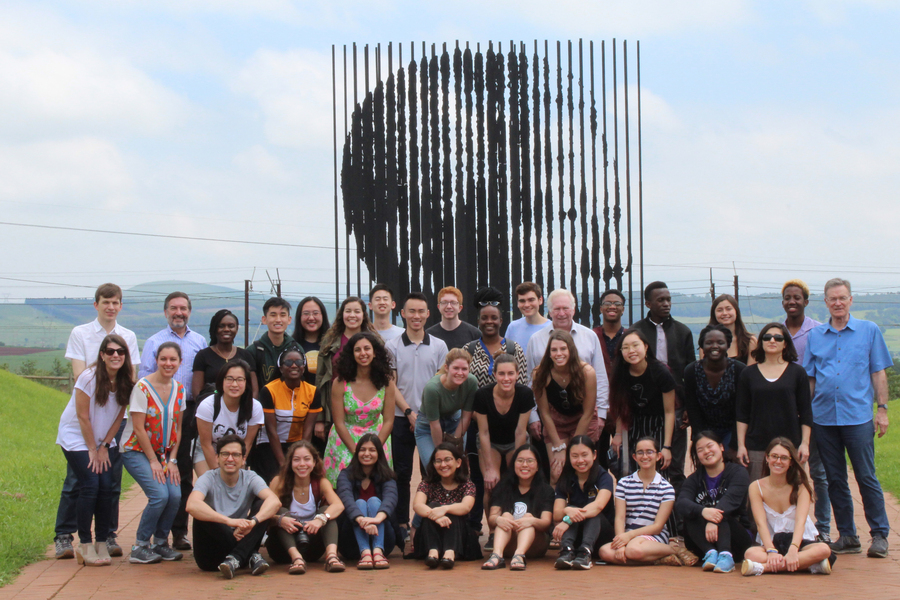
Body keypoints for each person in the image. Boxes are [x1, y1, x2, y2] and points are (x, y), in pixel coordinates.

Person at [804, 278, 892, 558]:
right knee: (835, 479)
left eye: (842, 298)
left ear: (851, 300)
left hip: (857, 418)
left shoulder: (869, 330)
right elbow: (810, 379)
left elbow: (878, 372)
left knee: (866, 476)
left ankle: (879, 534)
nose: (838, 303)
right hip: (824, 418)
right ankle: (848, 536)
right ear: (826, 302)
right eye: (832, 299)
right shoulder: (816, 336)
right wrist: (804, 415)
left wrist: (882, 409)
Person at [56, 283, 140, 560]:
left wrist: (105, 444)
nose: (111, 307)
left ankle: (106, 537)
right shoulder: (81, 335)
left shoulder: (128, 337)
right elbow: (82, 405)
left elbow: (124, 396)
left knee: (108, 484)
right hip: (82, 427)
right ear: (97, 304)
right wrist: (93, 447)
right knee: (82, 482)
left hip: (110, 427)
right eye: (106, 302)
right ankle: (70, 538)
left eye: (116, 302)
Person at [139, 292, 207, 551]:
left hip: (188, 411)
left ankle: (179, 533)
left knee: (182, 472)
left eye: (183, 308)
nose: (179, 312)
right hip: (158, 414)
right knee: (160, 476)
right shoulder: (154, 342)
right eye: (174, 308)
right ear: (165, 311)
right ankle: (158, 535)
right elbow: (144, 380)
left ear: (189, 311)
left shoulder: (199, 341)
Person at [384, 292, 449, 551]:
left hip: (431, 420)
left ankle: (425, 523)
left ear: (428, 314)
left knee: (430, 472)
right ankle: (401, 524)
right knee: (400, 473)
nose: (416, 316)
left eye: (421, 311)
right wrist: (409, 411)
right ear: (402, 313)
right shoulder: (392, 346)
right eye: (411, 311)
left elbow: (439, 382)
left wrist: (424, 415)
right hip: (401, 419)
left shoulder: (440, 346)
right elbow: (391, 383)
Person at [463, 285, 527, 540]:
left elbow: (523, 385)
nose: (489, 322)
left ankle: (514, 528)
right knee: (485, 481)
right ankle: (489, 531)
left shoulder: (514, 348)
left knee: (513, 481)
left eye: (494, 318)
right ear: (478, 321)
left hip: (512, 425)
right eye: (484, 318)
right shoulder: (469, 349)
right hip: (480, 424)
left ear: (501, 321)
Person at [121, 341, 185, 564]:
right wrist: (153, 461)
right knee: (159, 496)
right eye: (163, 359)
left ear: (180, 362)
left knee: (175, 496)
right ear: (156, 360)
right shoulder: (142, 387)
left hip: (164, 455)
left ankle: (160, 542)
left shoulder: (179, 389)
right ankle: (140, 546)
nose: (168, 363)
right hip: (136, 450)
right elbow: (139, 428)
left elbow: (178, 428)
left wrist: (172, 460)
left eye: (173, 359)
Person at [186, 434, 282, 578]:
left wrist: (253, 522)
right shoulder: (208, 478)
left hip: (240, 546)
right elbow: (191, 505)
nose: (230, 459)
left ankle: (236, 557)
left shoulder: (250, 477)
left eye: (236, 455)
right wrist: (228, 521)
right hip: (211, 558)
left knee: (263, 505)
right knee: (203, 509)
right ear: (217, 458)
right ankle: (250, 555)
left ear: (243, 459)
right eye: (225, 454)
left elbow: (275, 502)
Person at [632, 281, 694, 497]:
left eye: (668, 299)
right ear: (648, 304)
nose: (666, 304)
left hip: (675, 406)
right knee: (646, 460)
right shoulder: (636, 332)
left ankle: (676, 511)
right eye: (660, 300)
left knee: (674, 463)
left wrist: (688, 406)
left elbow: (690, 372)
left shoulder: (683, 331)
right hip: (644, 408)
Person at [781, 279, 831, 542]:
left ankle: (823, 527)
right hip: (784, 413)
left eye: (797, 297)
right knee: (784, 470)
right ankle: (787, 526)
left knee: (818, 473)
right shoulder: (776, 332)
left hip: (813, 411)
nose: (792, 301)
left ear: (806, 301)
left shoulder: (819, 331)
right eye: (787, 297)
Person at [741, 438, 834, 576]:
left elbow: (801, 522)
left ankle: (762, 568)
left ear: (791, 462)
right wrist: (771, 551)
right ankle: (809, 565)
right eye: (774, 456)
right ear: (767, 458)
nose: (778, 461)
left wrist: (793, 549)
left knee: (824, 550)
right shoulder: (756, 487)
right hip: (772, 542)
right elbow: (761, 524)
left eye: (784, 458)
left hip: (800, 542)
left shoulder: (801, 487)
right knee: (751, 554)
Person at [736, 322, 812, 481]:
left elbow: (806, 412)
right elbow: (742, 414)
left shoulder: (798, 373)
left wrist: (805, 444)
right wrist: (741, 445)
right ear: (761, 342)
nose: (772, 340)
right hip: (756, 446)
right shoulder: (748, 374)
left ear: (786, 344)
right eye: (767, 337)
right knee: (757, 491)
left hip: (791, 445)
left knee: (793, 491)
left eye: (778, 338)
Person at [474, 354, 534, 547]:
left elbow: (520, 432)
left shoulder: (525, 394)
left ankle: (516, 529)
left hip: (515, 442)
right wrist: (490, 468)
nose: (506, 378)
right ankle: (493, 531)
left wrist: (518, 464)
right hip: (490, 442)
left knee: (516, 482)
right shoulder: (483, 395)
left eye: (510, 374)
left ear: (517, 374)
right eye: (501, 374)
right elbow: (483, 432)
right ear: (494, 374)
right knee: (491, 484)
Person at [323, 332, 397, 486]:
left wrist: (374, 449)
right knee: (344, 483)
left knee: (377, 482)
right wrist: (357, 453)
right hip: (345, 437)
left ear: (375, 352)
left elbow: (389, 421)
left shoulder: (387, 382)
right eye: (357, 350)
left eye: (367, 348)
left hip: (377, 438)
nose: (363, 353)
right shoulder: (340, 382)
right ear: (351, 354)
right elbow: (339, 422)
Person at [676, 431, 753, 573]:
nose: (706, 451)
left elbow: (730, 501)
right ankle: (711, 553)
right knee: (691, 512)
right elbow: (681, 503)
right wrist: (703, 511)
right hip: (703, 542)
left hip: (736, 540)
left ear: (721, 447)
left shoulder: (738, 472)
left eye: (710, 446)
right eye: (700, 450)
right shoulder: (693, 479)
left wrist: (713, 518)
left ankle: (726, 556)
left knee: (721, 511)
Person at [266, 440, 346, 574]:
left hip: (311, 547)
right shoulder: (278, 482)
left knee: (327, 511)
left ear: (314, 462)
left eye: (307, 459)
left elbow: (338, 505)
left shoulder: (321, 482)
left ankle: (332, 557)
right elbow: (263, 514)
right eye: (296, 460)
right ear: (290, 463)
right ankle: (296, 559)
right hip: (282, 550)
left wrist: (320, 519)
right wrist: (279, 520)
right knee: (281, 511)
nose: (302, 464)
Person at [533, 330, 600, 484]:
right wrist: (558, 447)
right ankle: (556, 499)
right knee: (557, 473)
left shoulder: (587, 372)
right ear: (548, 353)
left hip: (582, 419)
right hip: (556, 421)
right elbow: (544, 413)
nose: (559, 354)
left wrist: (573, 448)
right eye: (554, 350)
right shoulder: (540, 373)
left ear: (571, 350)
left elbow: (588, 413)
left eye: (563, 349)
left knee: (580, 468)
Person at [599, 436, 678, 566]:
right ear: (635, 457)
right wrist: (620, 543)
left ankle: (673, 550)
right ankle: (656, 559)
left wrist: (629, 536)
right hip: (628, 536)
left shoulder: (667, 488)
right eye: (640, 452)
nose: (644, 456)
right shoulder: (623, 483)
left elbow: (658, 527)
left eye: (649, 452)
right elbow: (620, 518)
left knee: (633, 549)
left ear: (658, 456)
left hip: (654, 536)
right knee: (605, 551)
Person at [316, 296, 380, 453]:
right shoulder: (329, 342)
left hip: (367, 410)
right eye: (348, 311)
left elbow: (382, 376)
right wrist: (320, 418)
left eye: (357, 311)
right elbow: (320, 380)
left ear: (364, 315)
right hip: (334, 405)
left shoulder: (374, 341)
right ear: (341, 314)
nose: (352, 315)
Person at [609, 329, 675, 475]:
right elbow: (620, 405)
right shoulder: (620, 373)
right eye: (625, 348)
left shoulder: (661, 372)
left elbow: (669, 412)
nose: (631, 351)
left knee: (656, 470)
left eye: (635, 345)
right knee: (631, 471)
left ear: (645, 347)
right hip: (632, 424)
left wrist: (667, 446)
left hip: (658, 424)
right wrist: (618, 434)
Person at [481, 444, 554, 570]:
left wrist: (531, 521)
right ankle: (497, 555)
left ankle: (519, 555)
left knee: (528, 517)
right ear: (513, 464)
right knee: (505, 515)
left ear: (537, 466)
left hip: (535, 545)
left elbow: (546, 523)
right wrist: (498, 519)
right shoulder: (503, 487)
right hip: (507, 543)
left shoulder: (546, 490)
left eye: (530, 461)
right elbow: (492, 518)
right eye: (520, 461)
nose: (524, 465)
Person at [254, 348, 321, 483]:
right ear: (281, 368)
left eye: (299, 362)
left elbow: (308, 430)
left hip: (297, 443)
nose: (294, 365)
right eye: (288, 362)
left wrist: (301, 455)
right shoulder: (268, 390)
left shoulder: (313, 391)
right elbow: (271, 431)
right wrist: (284, 463)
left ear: (304, 367)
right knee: (276, 480)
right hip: (270, 443)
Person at [412, 442, 482, 568]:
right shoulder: (427, 483)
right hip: (431, 531)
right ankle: (433, 552)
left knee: (454, 510)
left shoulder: (467, 484)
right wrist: (436, 516)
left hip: (461, 537)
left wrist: (444, 509)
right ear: (433, 464)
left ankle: (450, 552)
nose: (443, 465)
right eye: (438, 461)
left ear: (458, 462)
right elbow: (417, 505)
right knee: (432, 505)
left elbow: (466, 507)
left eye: (447, 460)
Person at [335, 433, 399, 568]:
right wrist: (362, 521)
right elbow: (346, 499)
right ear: (357, 452)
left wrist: (376, 520)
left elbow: (390, 500)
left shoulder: (387, 476)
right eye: (363, 450)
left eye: (372, 450)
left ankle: (377, 551)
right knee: (359, 503)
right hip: (351, 542)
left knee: (374, 501)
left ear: (379, 453)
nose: (367, 454)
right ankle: (365, 552)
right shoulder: (345, 475)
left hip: (384, 540)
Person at [552, 436, 615, 570]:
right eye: (575, 456)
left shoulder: (604, 477)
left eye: (584, 455)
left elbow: (598, 506)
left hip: (601, 536)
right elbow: (556, 514)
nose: (580, 460)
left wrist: (568, 520)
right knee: (571, 509)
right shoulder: (565, 478)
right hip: (577, 536)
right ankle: (567, 551)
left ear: (594, 455)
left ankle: (585, 553)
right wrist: (566, 511)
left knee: (591, 514)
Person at [194, 359, 264, 477]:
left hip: (237, 453)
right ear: (222, 381)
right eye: (229, 379)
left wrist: (236, 466)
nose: (234, 384)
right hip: (208, 451)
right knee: (211, 484)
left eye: (240, 379)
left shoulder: (255, 407)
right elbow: (206, 444)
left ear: (246, 382)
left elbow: (247, 443)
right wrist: (220, 475)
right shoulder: (208, 406)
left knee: (236, 484)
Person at [415, 349, 478, 477]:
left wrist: (455, 443)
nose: (460, 373)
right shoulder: (433, 388)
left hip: (455, 421)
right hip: (428, 426)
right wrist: (443, 454)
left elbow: (466, 416)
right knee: (437, 469)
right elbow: (434, 424)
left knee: (455, 468)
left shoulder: (471, 382)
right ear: (447, 368)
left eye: (464, 369)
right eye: (456, 368)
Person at [683, 324, 746, 452]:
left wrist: (734, 445)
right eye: (709, 343)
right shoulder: (691, 371)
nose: (715, 346)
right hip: (703, 430)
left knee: (731, 462)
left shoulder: (740, 370)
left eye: (720, 342)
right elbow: (693, 408)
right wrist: (701, 439)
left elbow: (741, 409)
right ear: (702, 346)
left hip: (733, 430)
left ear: (728, 345)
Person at [192, 309, 259, 402]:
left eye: (231, 326)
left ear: (236, 329)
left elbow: (254, 390)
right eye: (221, 326)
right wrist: (212, 408)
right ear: (214, 329)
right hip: (211, 408)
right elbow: (197, 392)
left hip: (241, 408)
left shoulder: (246, 355)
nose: (226, 329)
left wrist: (247, 407)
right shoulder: (203, 356)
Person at [705, 294, 758, 365]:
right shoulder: (706, 342)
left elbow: (751, 370)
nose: (724, 313)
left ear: (736, 311)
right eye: (720, 310)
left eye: (728, 309)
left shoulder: (750, 341)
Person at [426, 286, 482, 350]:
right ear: (439, 307)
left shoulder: (475, 335)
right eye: (444, 302)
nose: (449, 306)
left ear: (460, 308)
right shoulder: (429, 335)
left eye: (453, 302)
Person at [292, 296, 330, 387]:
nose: (311, 318)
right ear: (299, 317)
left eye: (315, 313)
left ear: (323, 316)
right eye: (306, 313)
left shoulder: (332, 344)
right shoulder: (291, 346)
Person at [503, 282, 550, 351]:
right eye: (522, 301)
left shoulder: (551, 328)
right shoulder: (513, 327)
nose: (527, 305)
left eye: (531, 300)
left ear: (540, 300)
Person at [593, 289, 626, 377]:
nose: (612, 307)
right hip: (597, 384)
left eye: (617, 304)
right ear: (601, 309)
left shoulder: (629, 336)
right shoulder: (592, 336)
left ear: (623, 309)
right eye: (607, 303)